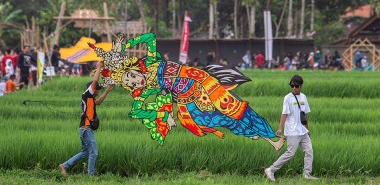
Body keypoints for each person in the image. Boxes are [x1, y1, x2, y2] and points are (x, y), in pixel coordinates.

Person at [89, 33, 285, 149]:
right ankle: (261, 137)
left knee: (232, 108)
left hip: (200, 81)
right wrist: (165, 116)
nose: (134, 81)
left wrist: (128, 44)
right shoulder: (145, 89)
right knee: (205, 120)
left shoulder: (150, 62)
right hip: (186, 99)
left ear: (133, 69)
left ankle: (270, 136)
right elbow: (138, 109)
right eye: (130, 83)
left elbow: (150, 37)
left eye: (131, 76)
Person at [59, 61, 114, 176]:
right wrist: (99, 67)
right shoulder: (87, 94)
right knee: (93, 152)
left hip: (84, 129)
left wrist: (108, 90)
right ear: (92, 89)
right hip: (86, 129)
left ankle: (64, 165)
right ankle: (91, 174)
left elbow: (98, 102)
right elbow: (95, 82)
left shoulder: (91, 99)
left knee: (85, 152)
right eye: (97, 89)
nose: (98, 91)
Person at [264, 75, 318, 181]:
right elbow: (284, 114)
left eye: (296, 86)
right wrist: (280, 128)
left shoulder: (303, 97)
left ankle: (307, 174)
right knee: (290, 153)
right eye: (292, 85)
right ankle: (271, 170)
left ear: (301, 86)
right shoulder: (288, 98)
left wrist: (307, 129)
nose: (294, 88)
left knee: (309, 151)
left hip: (303, 131)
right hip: (293, 131)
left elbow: (304, 115)